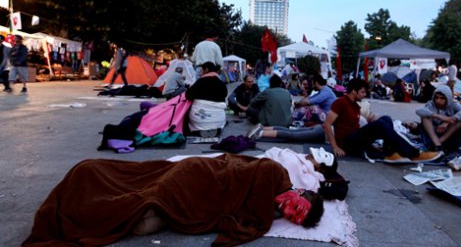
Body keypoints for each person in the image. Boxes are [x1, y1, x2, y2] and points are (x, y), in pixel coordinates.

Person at [22, 154, 324, 247]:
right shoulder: (276, 172)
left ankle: (140, 206)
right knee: (122, 183)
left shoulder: (268, 214)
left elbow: (239, 219)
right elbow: (235, 168)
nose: (289, 212)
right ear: (300, 194)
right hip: (199, 176)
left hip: (201, 203)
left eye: (294, 218)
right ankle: (91, 185)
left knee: (141, 226)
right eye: (297, 207)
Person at [323, 78, 442, 163]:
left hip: (355, 137)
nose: (365, 95)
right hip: (347, 143)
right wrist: (335, 147)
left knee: (386, 119)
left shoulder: (355, 105)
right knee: (379, 124)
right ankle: (415, 154)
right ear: (354, 91)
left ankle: (390, 152)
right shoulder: (340, 103)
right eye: (363, 92)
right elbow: (327, 125)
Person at [415, 85, 461, 153]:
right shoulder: (431, 104)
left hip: (448, 137)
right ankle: (437, 144)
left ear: (448, 98)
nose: (438, 101)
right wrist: (439, 116)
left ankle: (439, 143)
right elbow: (418, 110)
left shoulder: (453, 104)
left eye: (442, 98)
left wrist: (448, 121)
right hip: (432, 136)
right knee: (425, 117)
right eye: (436, 98)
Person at [185, 61, 227, 136]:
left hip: (199, 120)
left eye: (201, 70)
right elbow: (225, 95)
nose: (200, 73)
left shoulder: (200, 82)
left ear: (206, 70)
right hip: (218, 120)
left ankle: (200, 128)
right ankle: (213, 128)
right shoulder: (221, 83)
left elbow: (188, 95)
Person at [248, 122, 325, 144]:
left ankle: (262, 128)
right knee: (292, 135)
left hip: (320, 128)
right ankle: (260, 133)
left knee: (291, 131)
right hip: (321, 133)